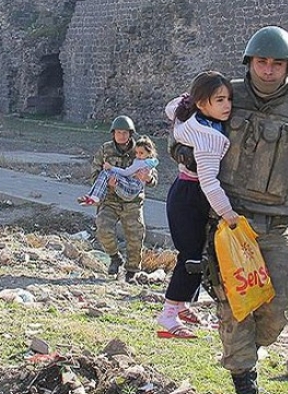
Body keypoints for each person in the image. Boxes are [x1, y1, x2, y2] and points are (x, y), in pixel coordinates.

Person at [179, 26, 288, 394]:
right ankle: (244, 379)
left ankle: (248, 350)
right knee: (234, 307)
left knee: (277, 308)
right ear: (250, 62)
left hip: (278, 228)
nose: (268, 69)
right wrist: (186, 154)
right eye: (261, 61)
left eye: (277, 63)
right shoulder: (224, 95)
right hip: (229, 225)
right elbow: (183, 128)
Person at [157, 71, 239, 339]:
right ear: (202, 103)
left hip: (184, 192)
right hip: (191, 197)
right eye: (219, 100)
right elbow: (209, 182)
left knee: (196, 255)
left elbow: (172, 108)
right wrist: (228, 214)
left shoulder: (189, 117)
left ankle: (181, 304)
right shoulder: (208, 137)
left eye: (228, 99)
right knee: (191, 258)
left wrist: (187, 99)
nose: (227, 106)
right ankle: (168, 315)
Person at [89, 115, 158, 282]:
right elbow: (95, 174)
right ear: (113, 134)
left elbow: (153, 176)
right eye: (118, 132)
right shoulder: (105, 150)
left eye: (125, 133)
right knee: (103, 229)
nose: (122, 136)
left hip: (132, 201)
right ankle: (114, 257)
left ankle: (132, 271)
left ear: (131, 134)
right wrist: (108, 184)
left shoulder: (140, 149)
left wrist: (148, 178)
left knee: (135, 236)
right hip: (110, 200)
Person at [77, 135, 159, 206]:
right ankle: (93, 196)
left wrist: (111, 167)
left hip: (132, 188)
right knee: (106, 173)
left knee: (107, 172)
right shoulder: (149, 162)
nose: (137, 155)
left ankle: (94, 197)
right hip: (127, 189)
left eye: (141, 153)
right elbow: (95, 171)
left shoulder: (141, 163)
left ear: (149, 152)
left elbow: (126, 173)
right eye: (136, 153)